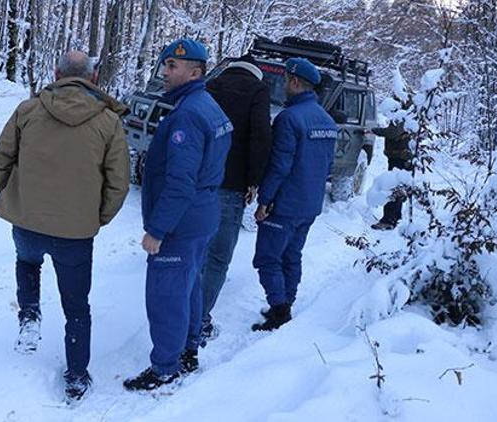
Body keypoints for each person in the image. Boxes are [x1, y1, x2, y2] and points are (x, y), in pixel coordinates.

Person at [0, 51, 130, 403]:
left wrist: (18, 197)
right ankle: (76, 377)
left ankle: (30, 315)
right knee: (77, 306)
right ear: (93, 78)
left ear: (56, 72)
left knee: (27, 261)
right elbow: (119, 183)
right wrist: (97, 216)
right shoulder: (108, 121)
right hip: (76, 232)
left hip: (28, 222)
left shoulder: (28, 110)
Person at [123, 39, 232, 392]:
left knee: (166, 294)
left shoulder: (187, 114)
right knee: (189, 286)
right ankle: (188, 349)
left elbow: (180, 182)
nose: (165, 73)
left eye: (172, 67)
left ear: (195, 72)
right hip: (202, 216)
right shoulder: (208, 105)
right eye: (165, 65)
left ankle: (165, 367)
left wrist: (157, 229)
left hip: (182, 222)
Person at [251, 57, 337, 331]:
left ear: (295, 81)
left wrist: (265, 200)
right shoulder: (327, 120)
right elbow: (328, 166)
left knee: (267, 258)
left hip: (284, 205)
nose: (284, 84)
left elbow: (279, 165)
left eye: (287, 79)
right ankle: (286, 303)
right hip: (310, 205)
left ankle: (279, 310)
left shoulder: (289, 119)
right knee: (292, 256)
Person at [199, 56, 273, 343]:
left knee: (195, 250)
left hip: (200, 179)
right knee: (218, 256)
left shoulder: (211, 85)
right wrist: (254, 180)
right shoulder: (258, 91)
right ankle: (200, 319)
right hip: (232, 183)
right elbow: (261, 137)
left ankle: (184, 312)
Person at [371, 121, 411, 230]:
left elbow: (393, 132)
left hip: (399, 158)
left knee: (392, 188)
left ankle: (388, 220)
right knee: (398, 188)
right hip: (401, 157)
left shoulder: (401, 113)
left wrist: (374, 130)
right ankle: (395, 216)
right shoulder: (407, 111)